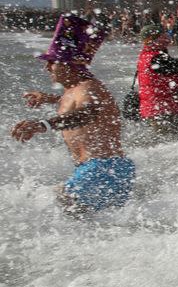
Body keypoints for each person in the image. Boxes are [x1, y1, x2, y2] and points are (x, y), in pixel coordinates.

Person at [11, 14, 134, 213]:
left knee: (47, 206)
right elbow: (80, 104)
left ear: (71, 65)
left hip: (102, 168)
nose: (47, 66)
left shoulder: (88, 88)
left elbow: (88, 113)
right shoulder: (76, 90)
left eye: (53, 61)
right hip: (100, 169)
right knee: (91, 227)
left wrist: (44, 125)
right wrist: (49, 98)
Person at [137, 24, 178, 134]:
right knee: (176, 139)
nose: (167, 37)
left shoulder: (147, 54)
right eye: (163, 35)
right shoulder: (157, 58)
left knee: (172, 140)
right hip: (163, 108)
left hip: (159, 107)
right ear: (152, 39)